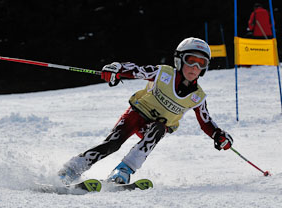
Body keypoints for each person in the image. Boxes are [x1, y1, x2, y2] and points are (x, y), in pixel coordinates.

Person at [57, 37, 233, 185]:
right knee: (113, 144)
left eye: (201, 63)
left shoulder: (198, 97)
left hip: (155, 127)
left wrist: (219, 135)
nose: (194, 67)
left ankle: (122, 172)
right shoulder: (164, 73)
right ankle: (71, 170)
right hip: (136, 114)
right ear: (179, 59)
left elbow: (206, 122)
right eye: (190, 60)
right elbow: (136, 71)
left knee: (158, 129)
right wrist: (117, 69)